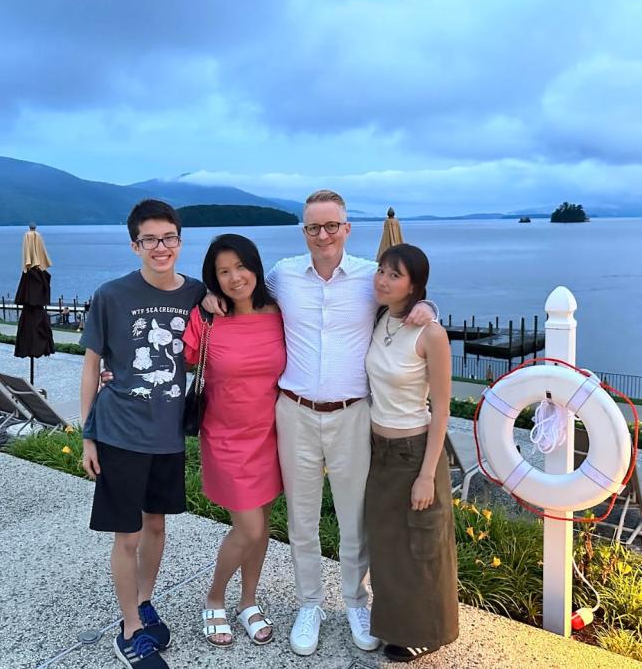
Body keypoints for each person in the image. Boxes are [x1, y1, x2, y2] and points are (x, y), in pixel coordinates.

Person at [203, 189, 436, 657]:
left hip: (353, 413)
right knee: (301, 518)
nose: (323, 234)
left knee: (353, 517)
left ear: (347, 229)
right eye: (314, 227)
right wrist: (207, 294)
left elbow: (407, 297)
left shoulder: (371, 278)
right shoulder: (284, 275)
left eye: (332, 225)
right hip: (294, 413)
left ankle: (355, 601)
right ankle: (309, 602)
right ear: (304, 231)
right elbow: (241, 288)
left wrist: (428, 308)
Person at [79, 199, 204, 669]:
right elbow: (92, 368)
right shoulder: (111, 295)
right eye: (149, 239)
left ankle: (144, 601)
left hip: (169, 436)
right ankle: (129, 628)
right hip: (119, 432)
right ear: (135, 246)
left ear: (179, 241)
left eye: (168, 238)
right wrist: (88, 435)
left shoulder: (196, 293)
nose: (160, 247)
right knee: (126, 534)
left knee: (156, 524)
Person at [181, 234, 286, 648]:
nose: (235, 277)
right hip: (225, 436)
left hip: (272, 435)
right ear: (213, 278)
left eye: (241, 267)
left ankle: (248, 601)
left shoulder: (278, 312)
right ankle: (214, 598)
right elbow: (175, 361)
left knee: (262, 530)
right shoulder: (205, 320)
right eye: (223, 272)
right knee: (249, 526)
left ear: (256, 267)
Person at [364, 243, 459, 662]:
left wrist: (427, 473)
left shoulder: (431, 334)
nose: (383, 280)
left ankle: (430, 630)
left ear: (414, 285)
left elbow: (442, 408)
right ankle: (394, 626)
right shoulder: (381, 316)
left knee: (423, 546)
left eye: (394, 275)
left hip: (414, 450)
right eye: (381, 271)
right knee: (387, 546)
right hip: (378, 450)